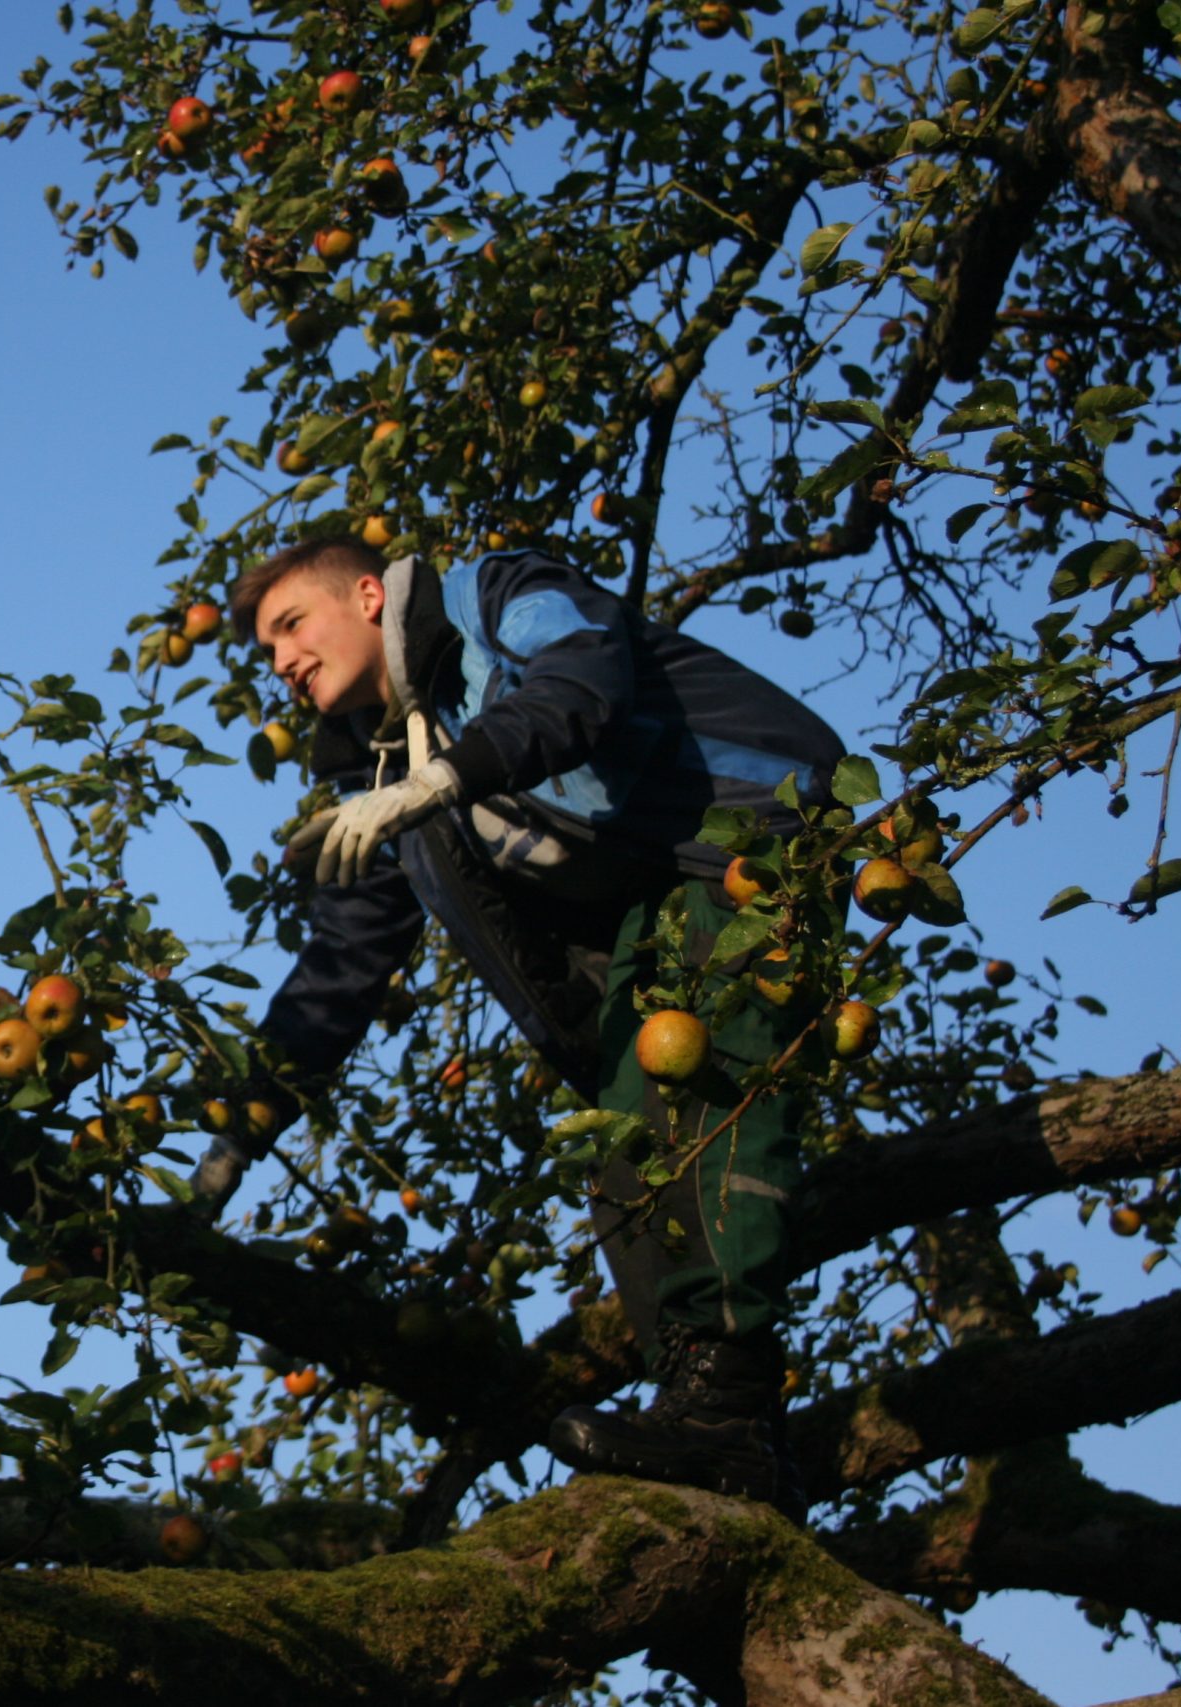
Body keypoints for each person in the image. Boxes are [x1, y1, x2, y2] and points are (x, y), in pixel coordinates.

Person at [192, 537, 844, 1518]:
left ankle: (727, 1413)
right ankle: (721, 1450)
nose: (279, 661)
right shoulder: (387, 777)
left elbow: (581, 681)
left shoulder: (496, 595)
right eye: (266, 650)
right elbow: (341, 969)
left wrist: (445, 778)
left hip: (753, 843)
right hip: (651, 922)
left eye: (290, 625)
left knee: (696, 1102)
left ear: (369, 595)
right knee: (628, 1162)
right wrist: (237, 1134)